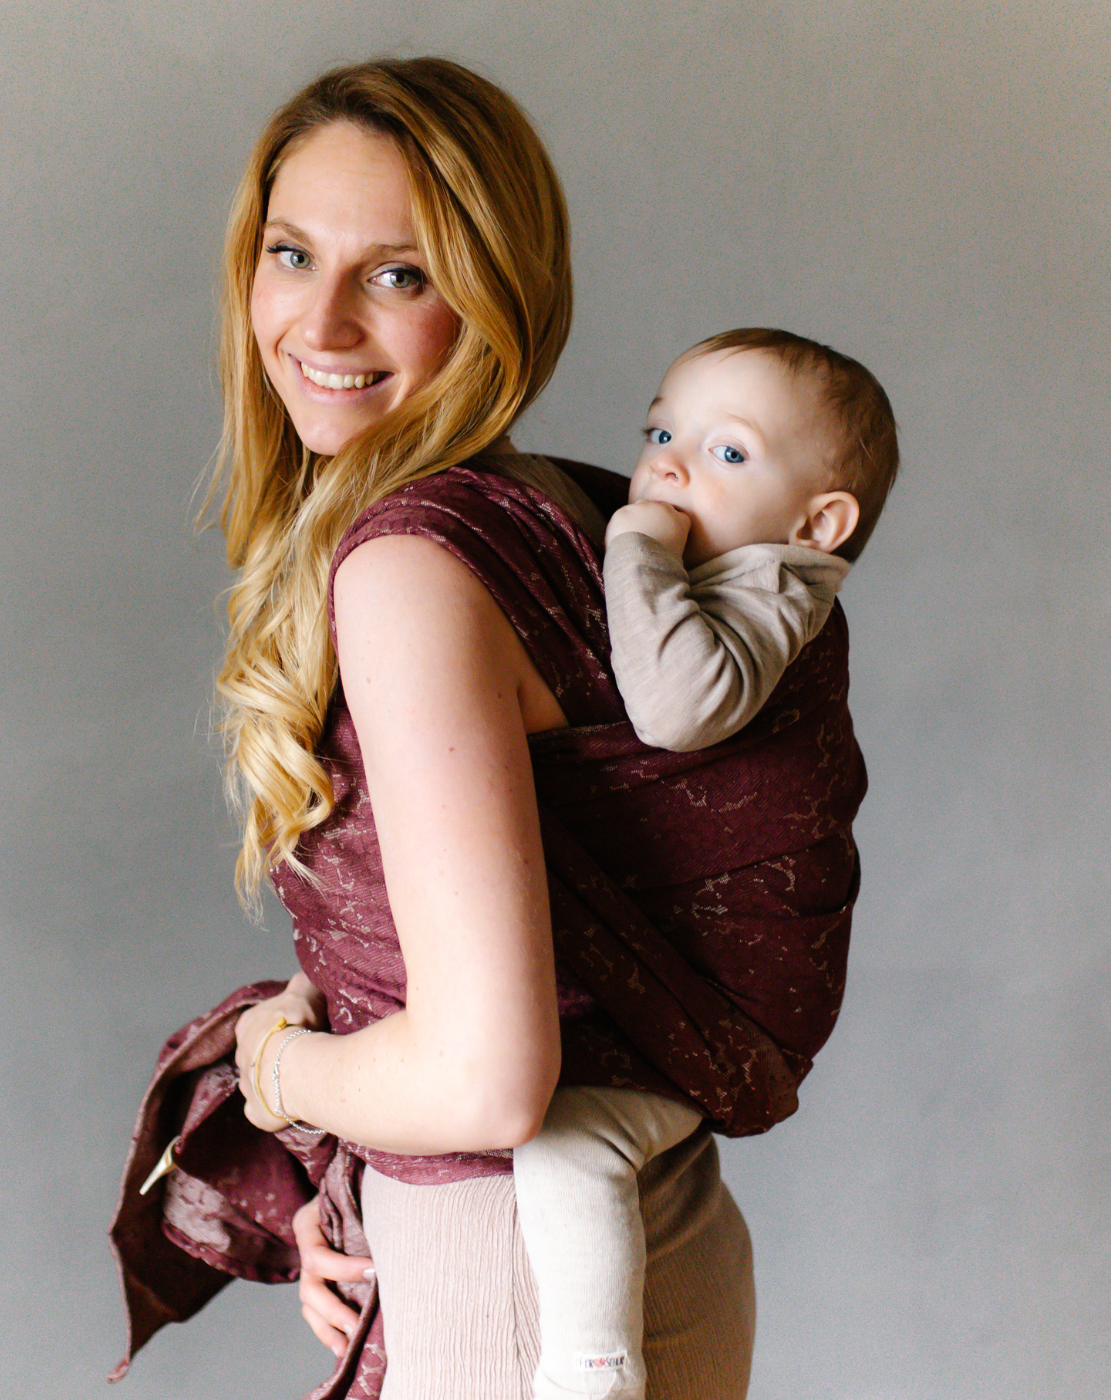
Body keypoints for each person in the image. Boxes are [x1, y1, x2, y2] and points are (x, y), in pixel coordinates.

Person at [110, 56, 867, 1400]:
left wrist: (277, 1069)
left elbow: (485, 1081)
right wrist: (359, 1172)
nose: (320, 321)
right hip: (634, 1233)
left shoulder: (415, 567)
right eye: (291, 253)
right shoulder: (584, 511)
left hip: (523, 1286)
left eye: (399, 274)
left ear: (496, 298)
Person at [512, 329, 898, 1399]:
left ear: (818, 524)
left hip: (732, 990)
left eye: (726, 452)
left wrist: (634, 543)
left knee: (570, 1139)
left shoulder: (777, 584)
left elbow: (678, 710)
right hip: (690, 973)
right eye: (660, 432)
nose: (669, 467)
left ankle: (593, 1367)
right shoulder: (719, 571)